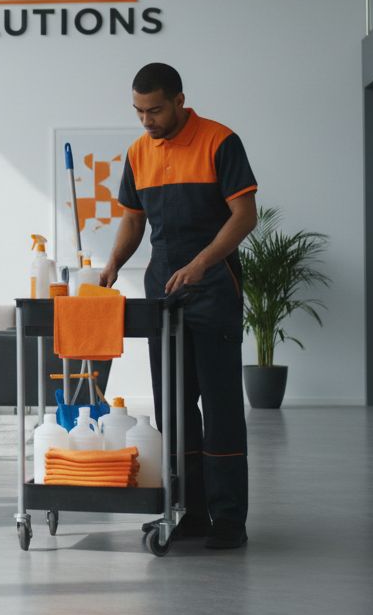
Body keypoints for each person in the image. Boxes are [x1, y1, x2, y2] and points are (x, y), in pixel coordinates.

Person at [99, 62, 257, 550]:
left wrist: (203, 262)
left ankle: (229, 520)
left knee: (221, 406)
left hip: (213, 289)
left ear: (180, 100)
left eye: (155, 110)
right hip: (162, 290)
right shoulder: (138, 153)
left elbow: (244, 215)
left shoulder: (219, 140)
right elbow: (133, 222)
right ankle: (189, 512)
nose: (147, 120)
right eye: (139, 112)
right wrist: (110, 266)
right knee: (174, 407)